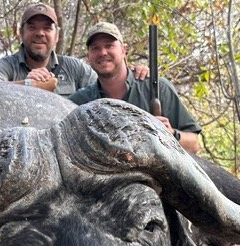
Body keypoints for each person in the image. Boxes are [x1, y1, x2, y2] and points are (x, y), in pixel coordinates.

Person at [69, 22, 202, 154]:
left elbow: (194, 144)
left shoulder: (158, 89)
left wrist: (171, 134)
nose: (103, 52)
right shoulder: (80, 102)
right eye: (95, 48)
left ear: (123, 50)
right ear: (88, 57)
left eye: (109, 45)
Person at [0, 4, 148, 97]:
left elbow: (106, 85)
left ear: (57, 36)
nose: (40, 33)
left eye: (47, 28)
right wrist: (29, 85)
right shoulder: (6, 67)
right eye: (32, 28)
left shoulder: (73, 68)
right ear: (21, 33)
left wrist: (134, 74)